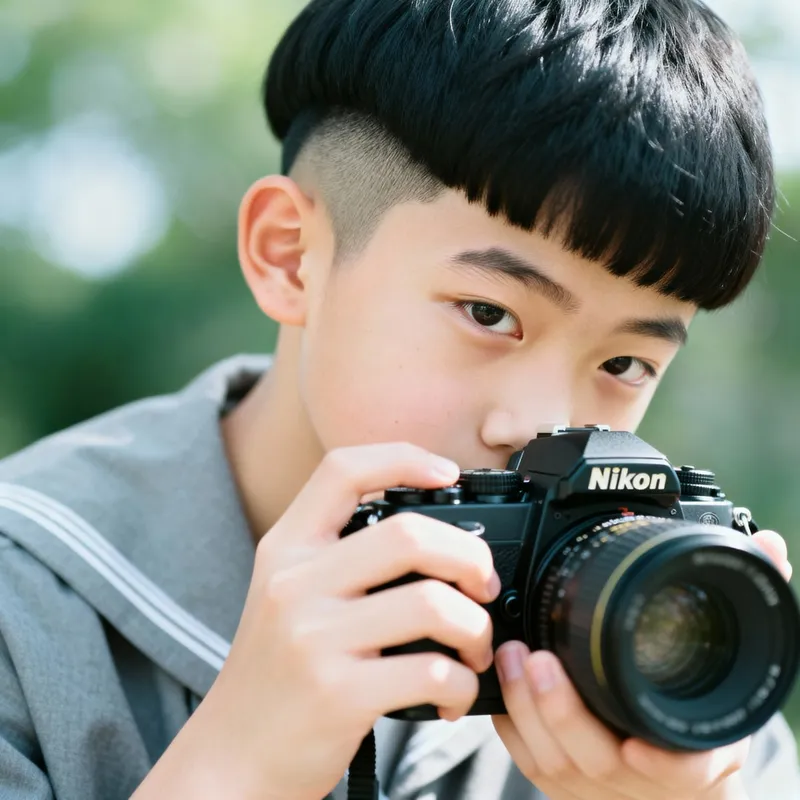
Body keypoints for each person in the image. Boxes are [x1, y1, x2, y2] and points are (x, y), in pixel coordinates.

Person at [0, 0, 797, 798]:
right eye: (490, 314)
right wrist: (236, 770)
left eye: (625, 363)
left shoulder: (676, 661)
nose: (540, 426)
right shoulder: (24, 610)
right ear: (290, 257)